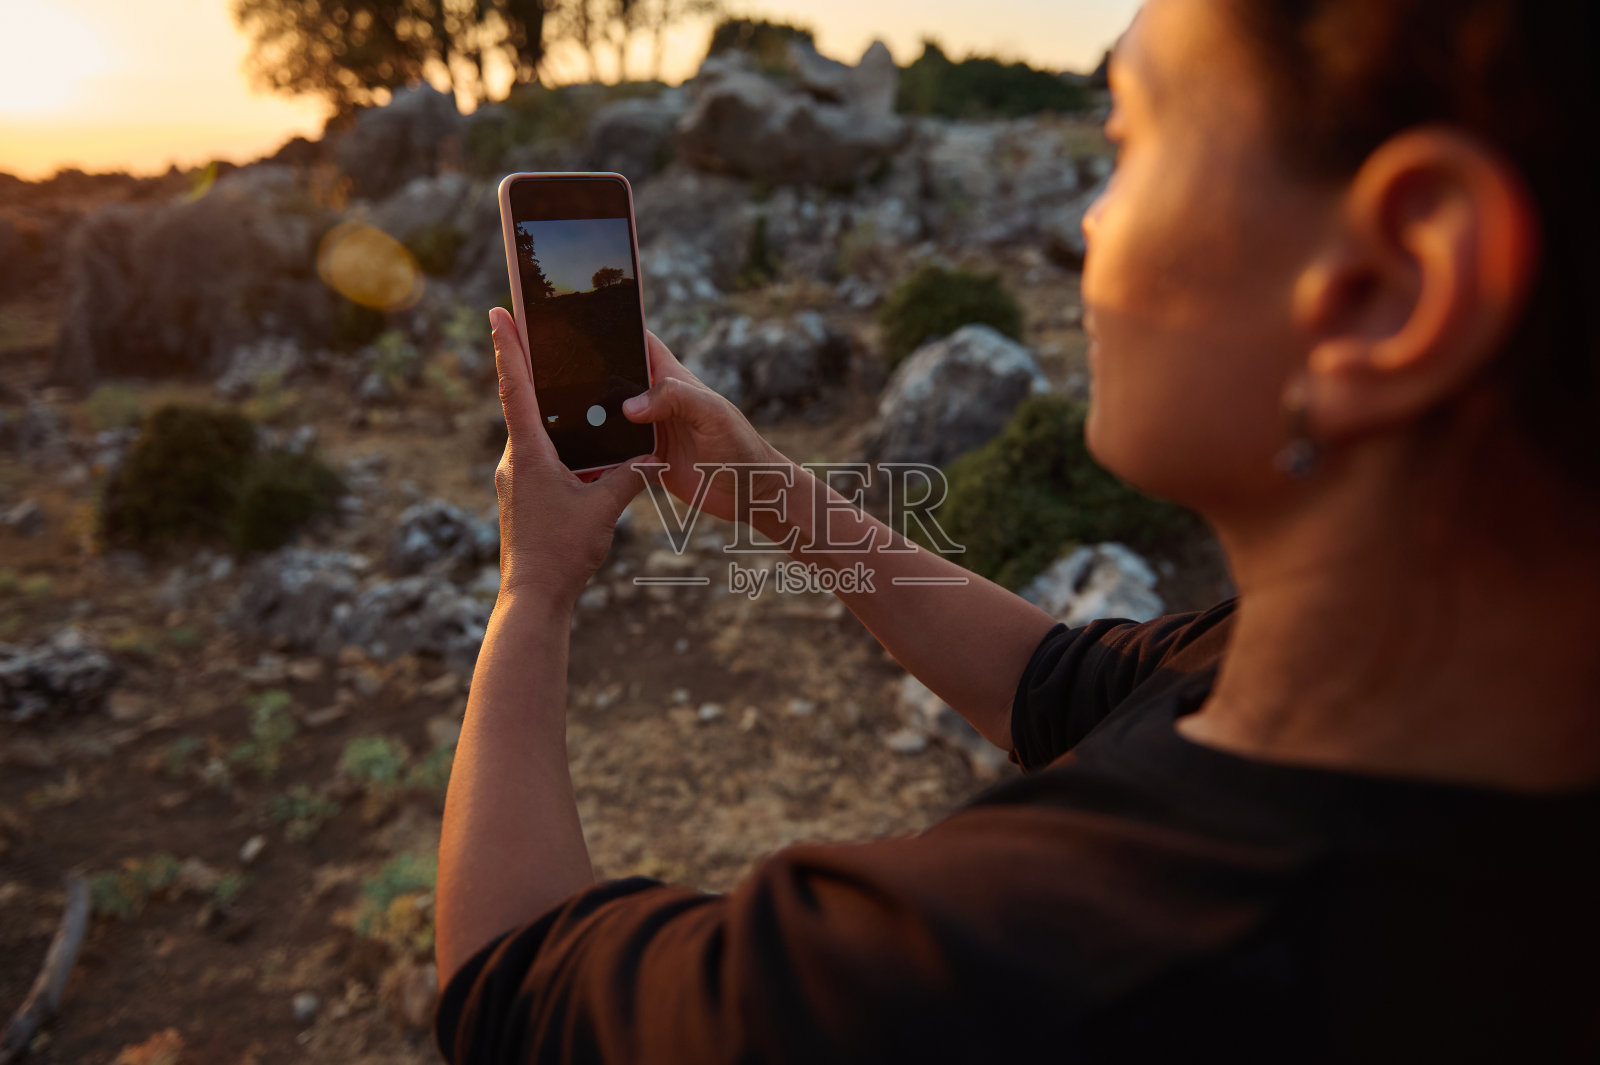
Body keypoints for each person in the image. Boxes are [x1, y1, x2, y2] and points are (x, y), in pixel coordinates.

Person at [432, 0, 1599, 1060]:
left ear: (1392, 285)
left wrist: (535, 587)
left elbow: (506, 985)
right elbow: (1059, 686)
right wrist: (767, 490)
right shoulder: (1422, 723)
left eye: (1129, 143)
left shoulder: (998, 969)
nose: (1087, 227)